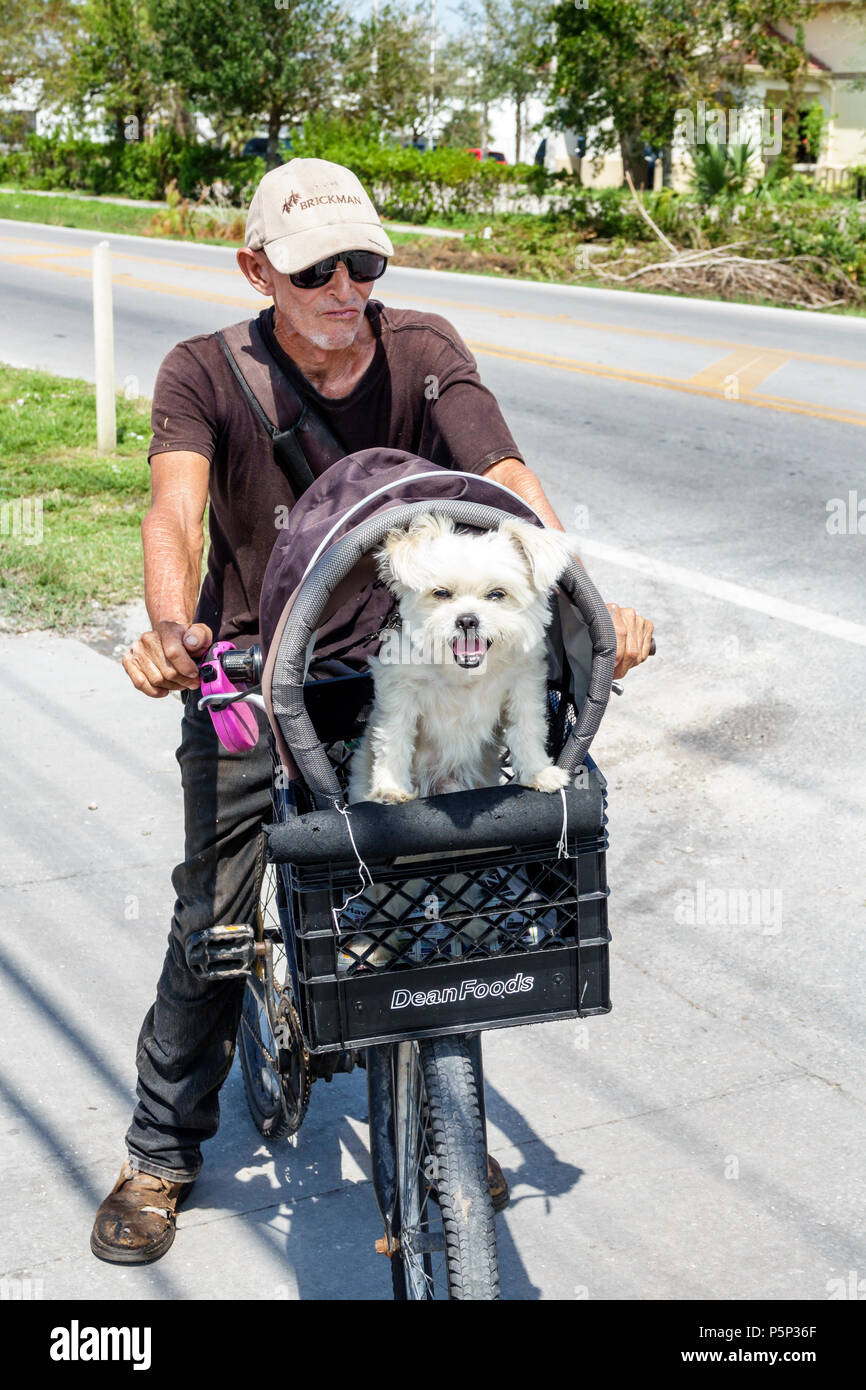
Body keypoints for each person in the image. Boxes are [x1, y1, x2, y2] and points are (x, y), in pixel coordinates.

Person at [91, 158, 654, 1265]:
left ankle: (441, 1116)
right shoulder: (204, 371)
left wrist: (581, 595)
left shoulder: (422, 349)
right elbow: (174, 509)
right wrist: (171, 626)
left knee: (453, 887)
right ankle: (160, 1151)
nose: (348, 289)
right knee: (213, 922)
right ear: (257, 269)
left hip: (413, 661)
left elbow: (501, 474)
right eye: (316, 272)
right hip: (254, 669)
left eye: (366, 263)